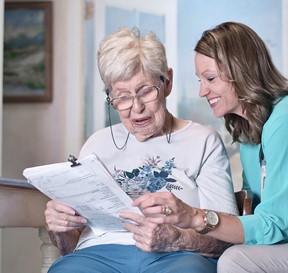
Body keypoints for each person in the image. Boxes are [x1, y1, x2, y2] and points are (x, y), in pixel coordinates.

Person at [45, 27, 239, 273]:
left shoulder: (203, 141)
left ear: (166, 82)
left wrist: (176, 239)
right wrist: (60, 228)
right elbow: (70, 248)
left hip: (177, 254)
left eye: (145, 91)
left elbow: (226, 238)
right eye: (122, 97)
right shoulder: (97, 143)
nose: (136, 107)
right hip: (97, 255)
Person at [129, 22, 288, 273]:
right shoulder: (248, 133)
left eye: (210, 78)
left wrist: (195, 216)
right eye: (200, 80)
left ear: (242, 70)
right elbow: (252, 210)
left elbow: (275, 225)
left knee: (234, 260)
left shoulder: (283, 121)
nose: (202, 91)